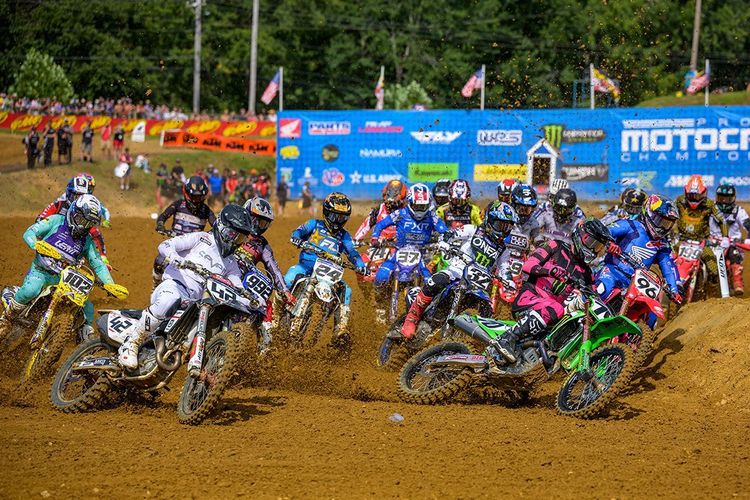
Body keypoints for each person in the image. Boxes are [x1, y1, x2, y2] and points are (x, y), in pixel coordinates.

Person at [118, 205, 253, 368]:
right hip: (174, 285)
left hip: (196, 305)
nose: (234, 240)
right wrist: (174, 257)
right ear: (221, 227)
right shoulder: (201, 238)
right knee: (169, 300)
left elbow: (236, 285)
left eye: (240, 238)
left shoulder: (231, 263)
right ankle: (131, 343)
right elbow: (166, 245)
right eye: (232, 234)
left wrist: (249, 300)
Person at [0, 195, 124, 341]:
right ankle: (6, 318)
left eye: (88, 224)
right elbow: (30, 232)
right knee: (30, 290)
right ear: (73, 212)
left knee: (88, 308)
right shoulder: (56, 221)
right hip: (41, 271)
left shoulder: (87, 241)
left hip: (64, 280)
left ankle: (85, 341)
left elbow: (98, 263)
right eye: (81, 220)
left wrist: (110, 284)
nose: (83, 226)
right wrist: (36, 243)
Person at [491, 218, 614, 364]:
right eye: (592, 243)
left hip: (552, 316)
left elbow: (594, 298)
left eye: (598, 247)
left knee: (576, 319)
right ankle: (507, 338)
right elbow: (528, 266)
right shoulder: (555, 246)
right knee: (556, 308)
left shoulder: (587, 273)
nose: (594, 250)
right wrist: (551, 271)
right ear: (581, 235)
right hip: (529, 299)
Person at [398, 201, 517, 338]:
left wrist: (509, 282)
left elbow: (505, 268)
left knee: (487, 310)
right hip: (457, 270)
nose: (503, 230)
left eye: (507, 227)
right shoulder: (473, 230)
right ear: (490, 220)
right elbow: (450, 234)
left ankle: (475, 344)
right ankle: (412, 319)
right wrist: (444, 243)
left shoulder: (504, 250)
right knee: (436, 281)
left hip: (479, 284)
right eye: (500, 225)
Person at [284, 193, 366, 344]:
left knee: (347, 290)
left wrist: (360, 265)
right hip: (306, 267)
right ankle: (275, 316)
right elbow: (299, 231)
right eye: (334, 216)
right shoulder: (314, 224)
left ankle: (340, 328)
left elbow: (352, 252)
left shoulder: (344, 236)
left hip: (329, 273)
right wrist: (297, 238)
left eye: (342, 217)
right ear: (326, 213)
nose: (337, 221)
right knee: (288, 278)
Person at [370, 183, 445, 323]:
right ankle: (380, 306)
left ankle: (428, 313)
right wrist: (375, 238)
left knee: (430, 283)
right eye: (417, 205)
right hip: (399, 252)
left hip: (420, 255)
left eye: (423, 206)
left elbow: (443, 229)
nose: (420, 209)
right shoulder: (400, 213)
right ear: (410, 202)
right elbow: (380, 224)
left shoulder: (431, 216)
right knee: (380, 277)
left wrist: (444, 240)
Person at [596, 195, 683, 315]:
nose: (662, 227)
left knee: (651, 315)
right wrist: (609, 242)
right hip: (612, 270)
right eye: (660, 221)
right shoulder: (631, 225)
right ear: (649, 213)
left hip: (636, 284)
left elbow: (668, 268)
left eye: (667, 224)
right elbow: (606, 231)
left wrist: (674, 289)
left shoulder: (663, 245)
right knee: (603, 289)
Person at [236, 197, 295, 354]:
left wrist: (285, 291)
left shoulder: (262, 244)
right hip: (220, 273)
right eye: (256, 220)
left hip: (243, 283)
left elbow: (274, 268)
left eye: (263, 223)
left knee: (266, 306)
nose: (258, 226)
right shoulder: (233, 227)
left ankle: (265, 349)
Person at [154, 176, 216, 283]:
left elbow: (216, 226)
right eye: (193, 197)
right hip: (175, 244)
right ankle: (156, 283)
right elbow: (163, 216)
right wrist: (160, 225)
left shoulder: (206, 210)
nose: (196, 201)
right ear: (186, 193)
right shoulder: (179, 204)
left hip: (193, 249)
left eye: (199, 197)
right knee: (160, 261)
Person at [674, 174, 728, 285]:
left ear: (703, 193)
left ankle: (711, 290)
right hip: (681, 240)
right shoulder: (679, 201)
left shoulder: (709, 204)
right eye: (691, 195)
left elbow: (722, 220)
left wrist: (725, 237)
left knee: (713, 268)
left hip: (702, 242)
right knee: (667, 259)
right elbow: (669, 213)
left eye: (697, 196)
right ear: (685, 192)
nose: (694, 198)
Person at [710, 183, 750, 295]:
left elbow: (748, 225)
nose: (723, 201)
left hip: (733, 243)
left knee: (735, 255)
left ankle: (738, 283)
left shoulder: (739, 211)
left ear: (733, 198)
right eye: (721, 198)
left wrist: (748, 239)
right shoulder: (710, 210)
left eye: (727, 199)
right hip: (713, 242)